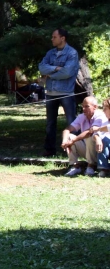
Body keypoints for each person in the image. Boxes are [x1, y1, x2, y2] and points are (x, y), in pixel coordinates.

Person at [38, 28, 79, 157]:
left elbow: (67, 72)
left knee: (71, 122)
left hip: (66, 92)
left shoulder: (72, 53)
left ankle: (76, 149)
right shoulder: (50, 53)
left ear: (62, 38)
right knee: (50, 123)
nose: (52, 39)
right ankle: (50, 150)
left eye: (54, 37)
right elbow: (42, 67)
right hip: (50, 93)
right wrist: (55, 68)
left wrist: (50, 75)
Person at [60, 96, 105, 177]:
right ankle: (75, 165)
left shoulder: (100, 116)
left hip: (100, 150)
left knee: (89, 137)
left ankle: (91, 165)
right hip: (87, 149)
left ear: (95, 107)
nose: (84, 109)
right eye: (83, 106)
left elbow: (90, 132)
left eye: (87, 106)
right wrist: (64, 141)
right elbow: (67, 130)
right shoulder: (82, 116)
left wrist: (73, 141)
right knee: (69, 137)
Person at [91, 98, 110, 178]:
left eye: (105, 109)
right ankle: (103, 169)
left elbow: (108, 128)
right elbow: (95, 134)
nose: (103, 111)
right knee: (102, 140)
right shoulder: (105, 121)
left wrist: (98, 129)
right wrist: (98, 138)